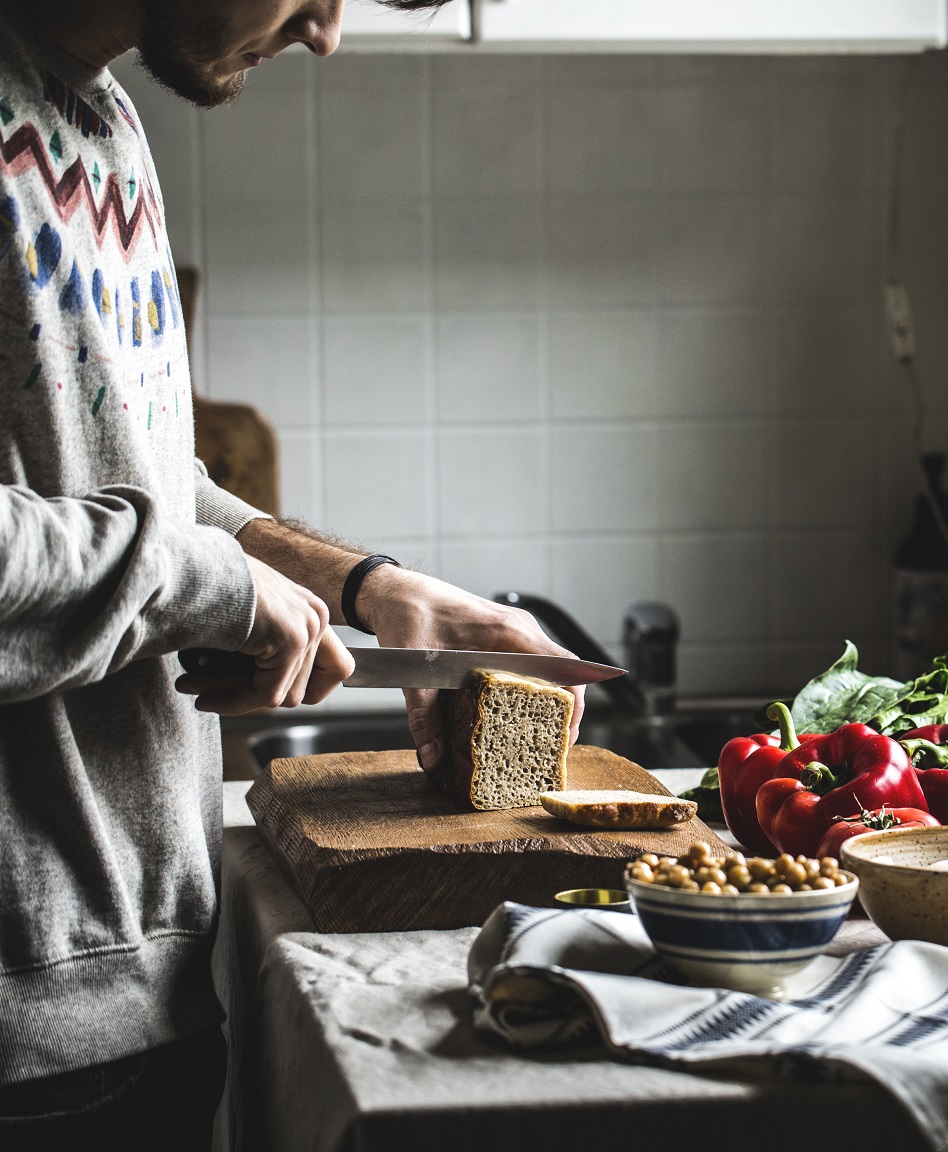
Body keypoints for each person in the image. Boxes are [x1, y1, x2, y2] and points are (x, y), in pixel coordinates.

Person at [0, 1, 562, 1146]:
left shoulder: (96, 113)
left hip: (146, 974)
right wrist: (210, 586)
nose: (326, 30)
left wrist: (362, 585)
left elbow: (142, 483)